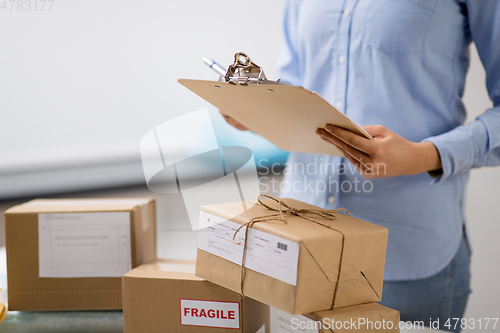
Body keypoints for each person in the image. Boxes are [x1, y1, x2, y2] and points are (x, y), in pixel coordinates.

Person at [221, 1, 500, 332]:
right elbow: (297, 83)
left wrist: (424, 155)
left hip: (405, 252)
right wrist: (257, 108)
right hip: (300, 239)